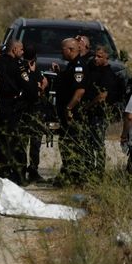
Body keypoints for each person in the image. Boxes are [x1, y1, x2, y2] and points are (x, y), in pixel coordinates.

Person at [0, 39, 34, 185]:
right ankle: (20, 175)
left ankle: (1, 174)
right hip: (13, 107)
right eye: (21, 50)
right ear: (15, 49)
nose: (23, 53)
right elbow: (28, 87)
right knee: (15, 142)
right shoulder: (19, 65)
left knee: (0, 141)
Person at [52, 37, 89, 186]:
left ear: (71, 50)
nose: (61, 52)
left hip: (72, 114)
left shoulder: (78, 67)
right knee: (66, 142)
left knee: (73, 143)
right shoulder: (71, 66)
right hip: (66, 113)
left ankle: (75, 176)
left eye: (63, 49)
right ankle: (68, 171)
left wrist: (69, 108)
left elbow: (79, 91)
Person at [84, 45, 125, 176]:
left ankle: (99, 171)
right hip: (92, 113)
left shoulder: (108, 75)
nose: (96, 58)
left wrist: (87, 106)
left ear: (106, 57)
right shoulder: (94, 70)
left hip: (99, 114)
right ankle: (90, 169)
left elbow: (102, 96)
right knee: (90, 143)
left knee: (97, 143)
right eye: (95, 56)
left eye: (99, 56)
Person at [23, 44, 48, 183]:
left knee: (31, 142)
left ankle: (31, 170)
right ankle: (31, 170)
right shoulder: (30, 70)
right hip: (31, 109)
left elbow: (42, 83)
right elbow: (38, 86)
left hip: (31, 110)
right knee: (33, 142)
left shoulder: (29, 69)